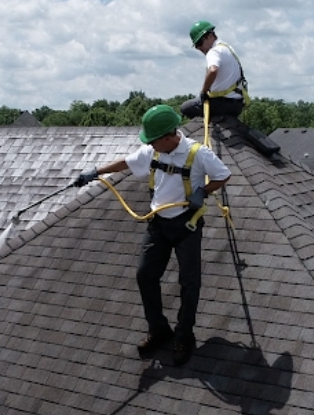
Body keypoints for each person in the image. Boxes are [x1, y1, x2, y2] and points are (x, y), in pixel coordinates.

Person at [73, 105, 231, 366]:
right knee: (145, 275)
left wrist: (202, 191)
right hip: (158, 225)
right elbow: (127, 162)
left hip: (186, 226)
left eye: (153, 140)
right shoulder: (153, 151)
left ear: (169, 136)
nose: (149, 145)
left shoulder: (198, 153)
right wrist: (96, 172)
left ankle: (184, 336)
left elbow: (223, 175)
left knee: (189, 282)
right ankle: (159, 330)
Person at [180, 20, 248, 122]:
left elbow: (213, 71)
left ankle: (208, 125)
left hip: (222, 104)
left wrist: (203, 92)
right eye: (196, 45)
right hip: (237, 104)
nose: (198, 48)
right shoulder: (226, 47)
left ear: (210, 36)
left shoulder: (213, 51)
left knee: (185, 108)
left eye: (199, 43)